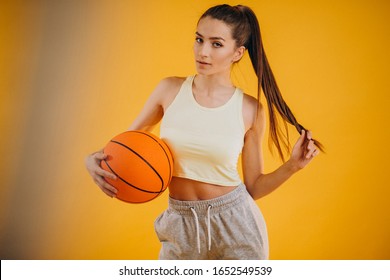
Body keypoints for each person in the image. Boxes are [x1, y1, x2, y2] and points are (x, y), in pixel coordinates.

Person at [85, 4, 323, 260]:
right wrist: (92, 160)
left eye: (216, 44)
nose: (203, 51)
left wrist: (293, 166)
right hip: (180, 224)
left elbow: (253, 187)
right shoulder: (169, 90)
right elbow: (124, 147)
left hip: (236, 226)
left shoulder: (250, 110)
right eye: (199, 40)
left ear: (237, 52)